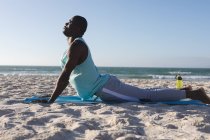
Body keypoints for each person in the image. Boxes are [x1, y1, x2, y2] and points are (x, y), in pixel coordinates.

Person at [40, 15, 210, 104]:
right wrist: (52, 95)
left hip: (105, 89)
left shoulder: (77, 46)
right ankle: (184, 89)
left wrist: (51, 100)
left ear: (79, 28)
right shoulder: (71, 45)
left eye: (70, 22)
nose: (66, 23)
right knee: (146, 92)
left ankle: (194, 94)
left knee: (146, 96)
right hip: (102, 87)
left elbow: (65, 75)